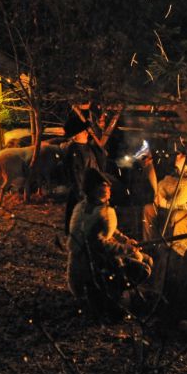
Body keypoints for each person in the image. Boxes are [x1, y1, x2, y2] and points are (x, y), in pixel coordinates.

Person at [67, 168, 153, 316]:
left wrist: (126, 240)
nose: (108, 190)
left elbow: (110, 231)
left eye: (107, 187)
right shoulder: (98, 213)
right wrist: (126, 248)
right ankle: (115, 296)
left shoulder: (84, 206)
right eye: (104, 187)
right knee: (144, 268)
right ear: (94, 190)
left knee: (146, 259)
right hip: (93, 266)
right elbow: (98, 244)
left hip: (94, 259)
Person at [62, 112, 105, 234]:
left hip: (91, 192)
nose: (86, 133)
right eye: (82, 131)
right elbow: (76, 175)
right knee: (78, 225)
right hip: (81, 193)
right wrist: (82, 196)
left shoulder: (89, 147)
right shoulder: (74, 151)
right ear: (75, 136)